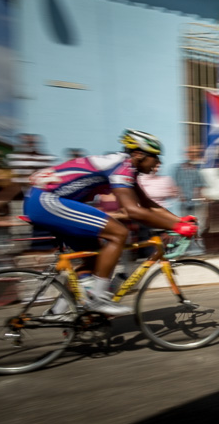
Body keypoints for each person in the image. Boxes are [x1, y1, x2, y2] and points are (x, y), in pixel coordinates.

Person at [23, 129, 198, 315]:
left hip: (45, 200)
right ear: (138, 154)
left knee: (94, 263)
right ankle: (99, 298)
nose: (158, 162)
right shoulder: (123, 166)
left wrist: (179, 220)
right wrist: (177, 227)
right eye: (155, 157)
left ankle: (57, 314)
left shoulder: (125, 167)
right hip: (45, 200)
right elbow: (132, 210)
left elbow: (147, 204)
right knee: (119, 233)